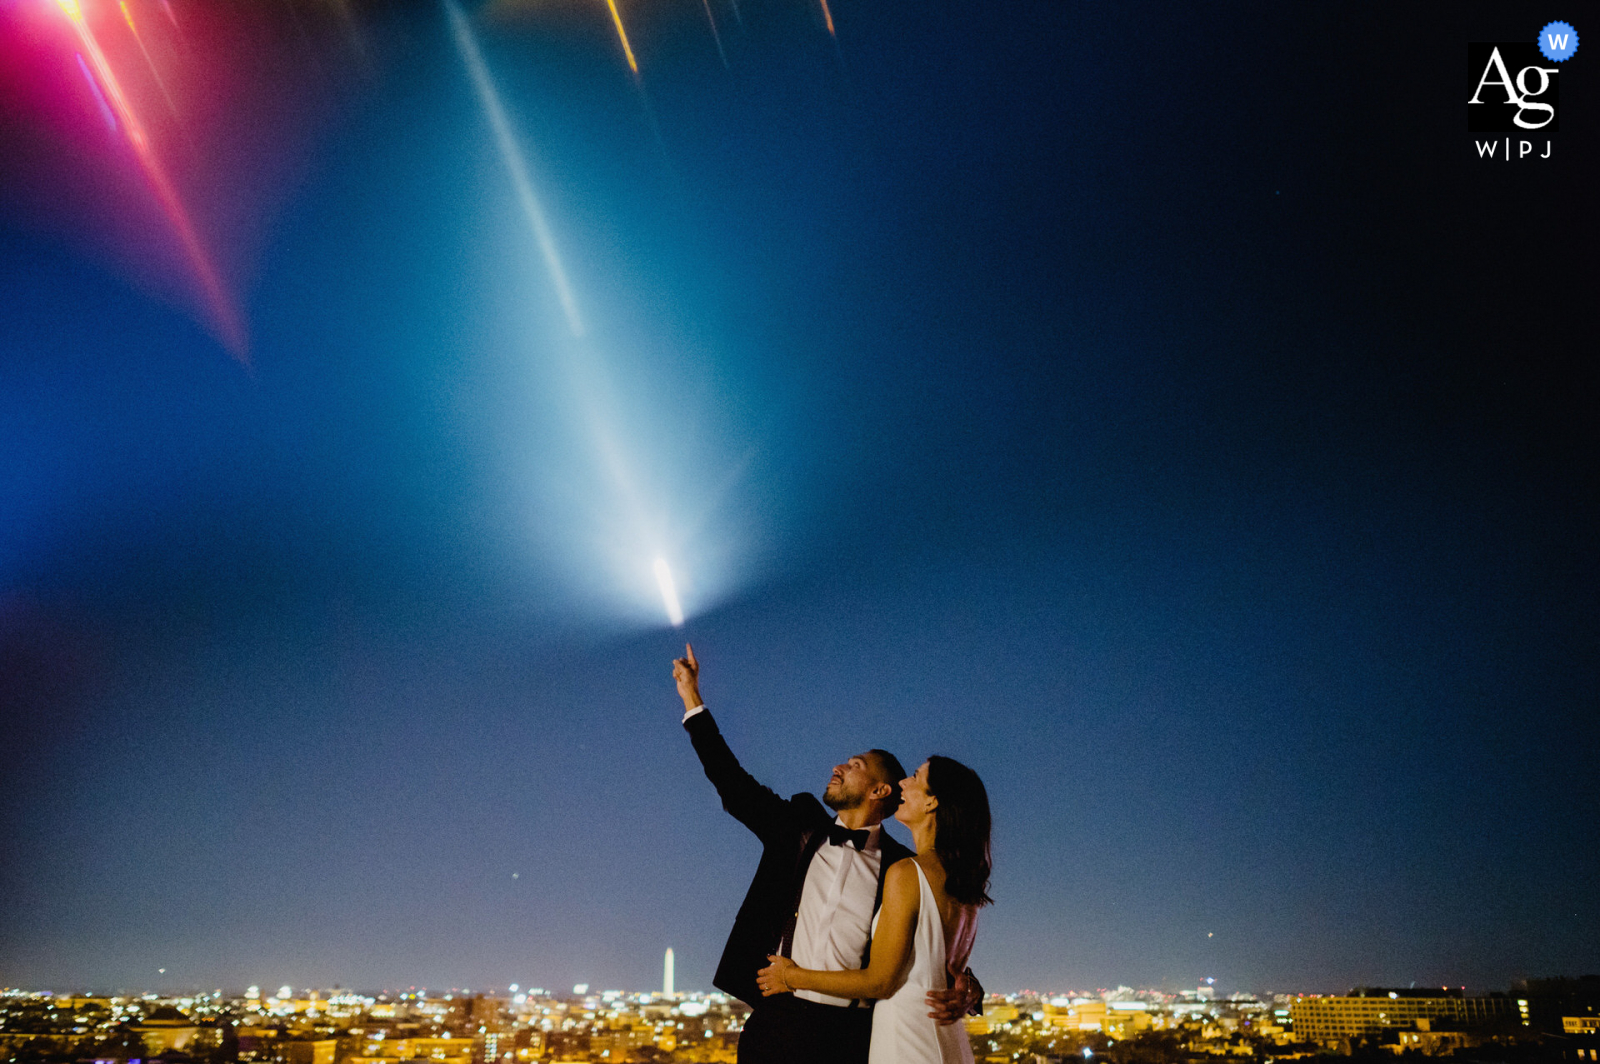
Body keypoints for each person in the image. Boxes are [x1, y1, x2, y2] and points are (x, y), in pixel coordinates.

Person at [673, 644, 982, 1064]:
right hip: (777, 1023)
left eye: (854, 764)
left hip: (850, 1038)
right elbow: (733, 783)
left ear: (879, 790)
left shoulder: (901, 867)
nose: (838, 766)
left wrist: (968, 984)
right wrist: (693, 699)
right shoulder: (797, 828)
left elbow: (923, 948)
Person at [753, 755, 993, 1064]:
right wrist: (970, 988)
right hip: (945, 1034)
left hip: (904, 1034)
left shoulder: (907, 872)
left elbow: (880, 981)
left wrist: (791, 976)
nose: (903, 782)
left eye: (916, 778)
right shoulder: (964, 880)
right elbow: (940, 962)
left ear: (932, 803)